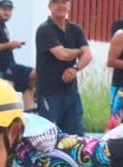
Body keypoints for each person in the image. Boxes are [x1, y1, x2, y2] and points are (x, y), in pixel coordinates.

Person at [35, 0, 92, 136]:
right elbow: (62, 54)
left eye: (64, 2)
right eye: (56, 2)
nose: (61, 5)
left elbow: (88, 55)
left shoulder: (76, 29)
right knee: (49, 139)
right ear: (49, 7)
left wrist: (75, 69)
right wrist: (79, 51)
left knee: (76, 139)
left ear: (69, 5)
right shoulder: (44, 29)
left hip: (71, 92)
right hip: (49, 94)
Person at [0, 0, 35, 110]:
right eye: (4, 10)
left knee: (28, 87)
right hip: (2, 69)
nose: (7, 13)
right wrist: (10, 44)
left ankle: (30, 115)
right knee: (35, 73)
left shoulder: (2, 26)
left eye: (9, 10)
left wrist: (12, 45)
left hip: (9, 66)